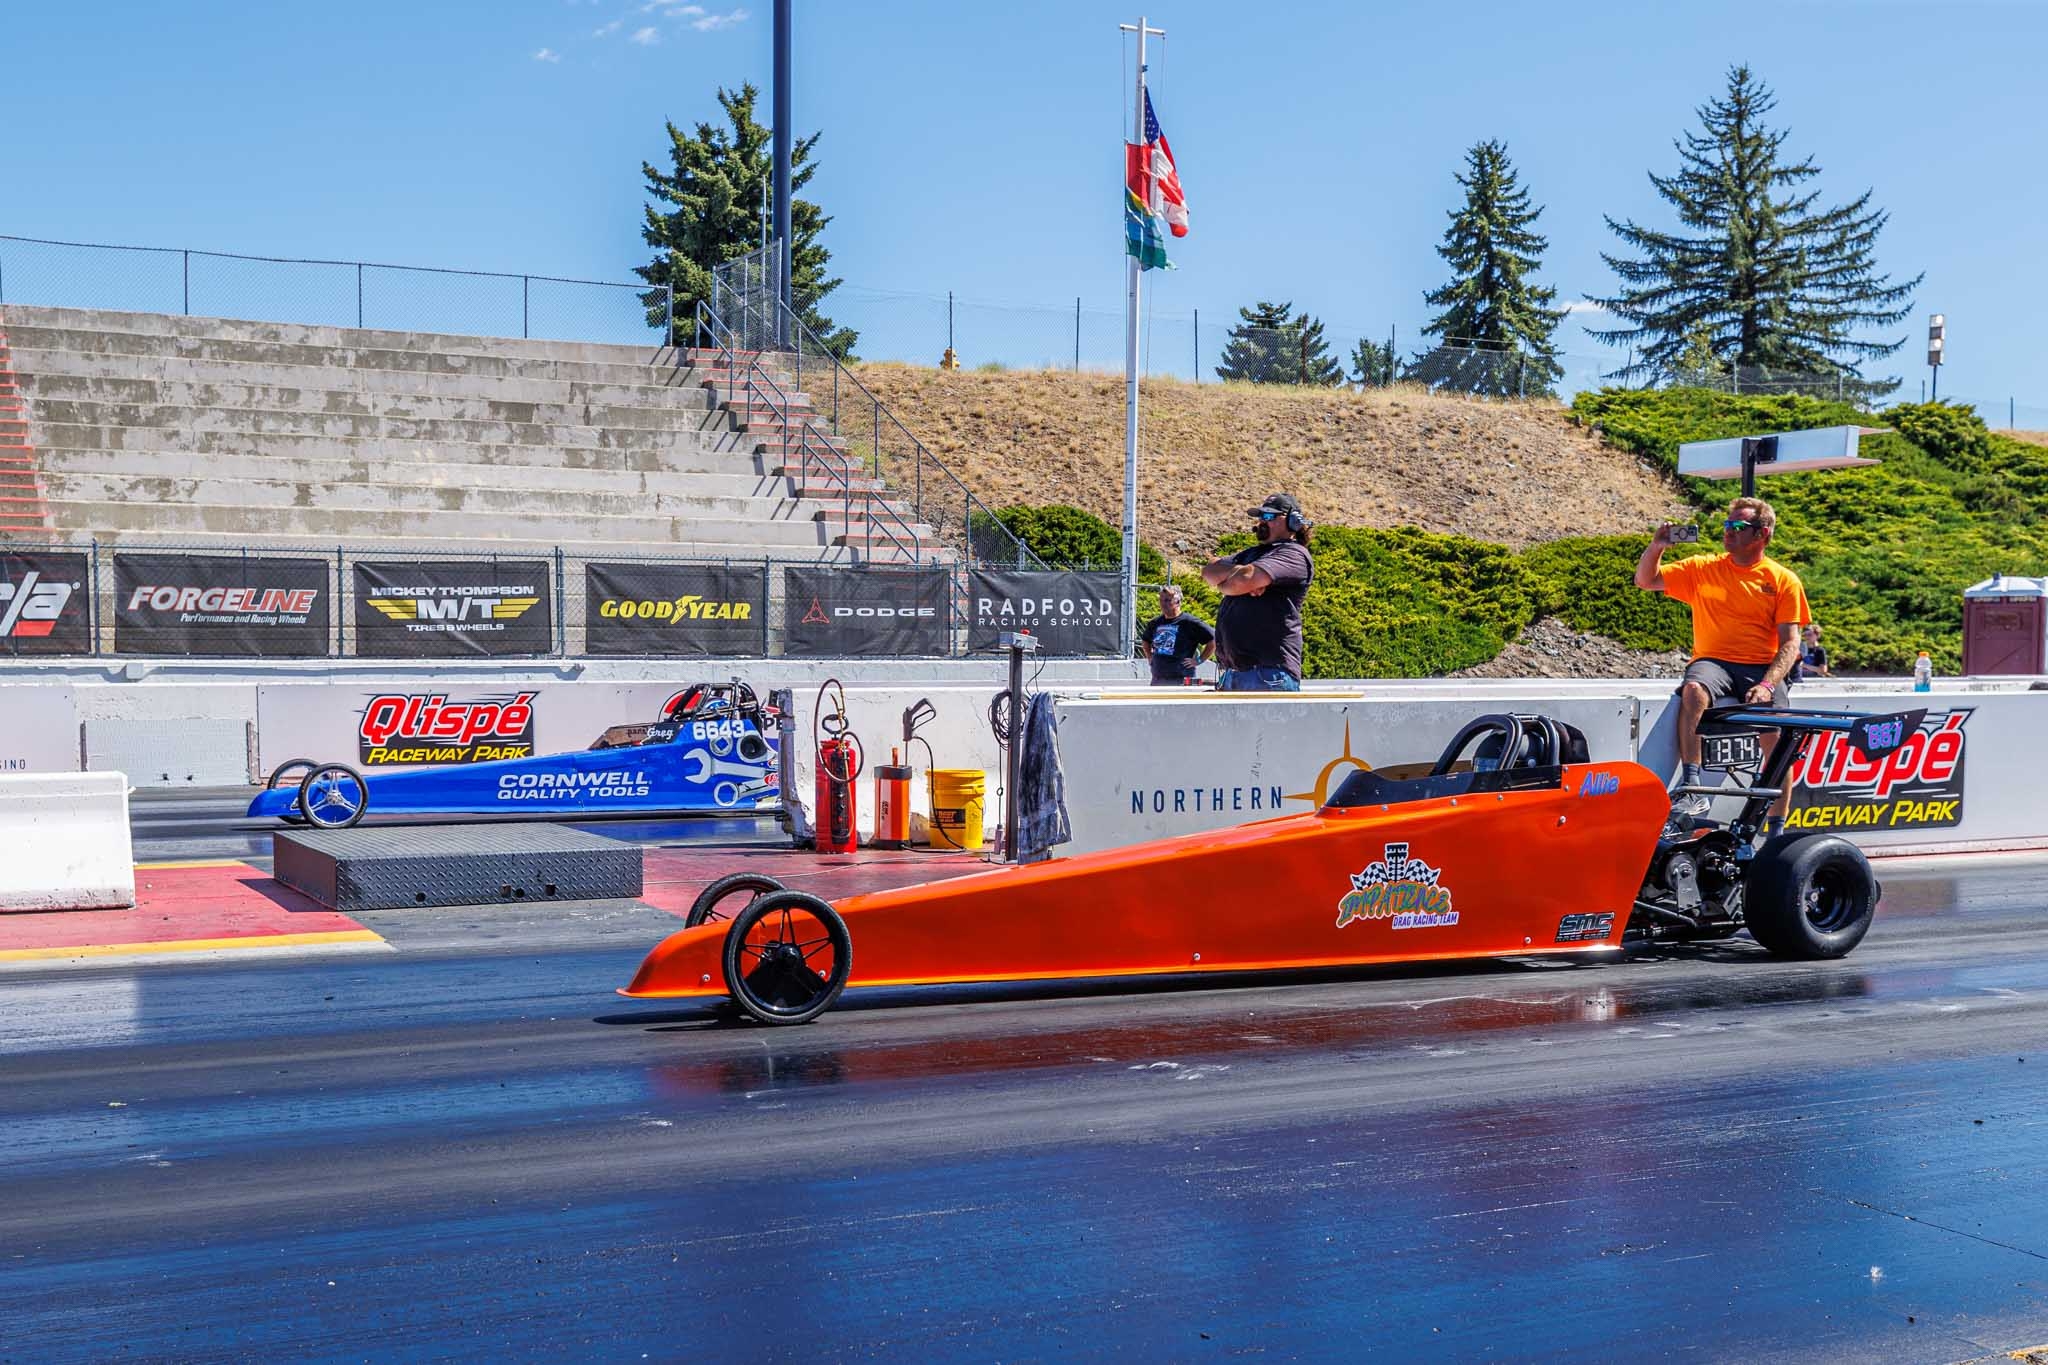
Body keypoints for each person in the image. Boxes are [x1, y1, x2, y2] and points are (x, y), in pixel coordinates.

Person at [1634, 495, 1811, 827]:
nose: (1728, 532)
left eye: (1738, 526)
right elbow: (1645, 581)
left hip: (1761, 666)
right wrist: (1657, 546)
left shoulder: (1782, 579)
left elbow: (1790, 643)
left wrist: (1767, 684)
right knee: (1693, 690)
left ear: (1763, 534)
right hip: (1714, 661)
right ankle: (1693, 786)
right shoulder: (1703, 567)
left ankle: (1775, 830)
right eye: (1727, 525)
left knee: (1778, 744)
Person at [1202, 493, 1314, 692]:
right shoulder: (1251, 553)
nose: (1263, 521)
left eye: (1270, 517)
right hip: (1234, 672)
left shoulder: (1293, 554)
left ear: (1292, 521)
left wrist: (1235, 580)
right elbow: (1209, 571)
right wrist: (1236, 580)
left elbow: (1242, 580)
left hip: (1269, 673)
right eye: (1261, 516)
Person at [1137, 585, 1214, 687]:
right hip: (1158, 679)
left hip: (1182, 680)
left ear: (1177, 602)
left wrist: (1199, 660)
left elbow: (1213, 640)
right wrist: (1150, 657)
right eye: (1161, 600)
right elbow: (1146, 640)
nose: (1163, 604)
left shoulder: (1190, 622)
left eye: (1167, 600)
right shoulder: (1155, 623)